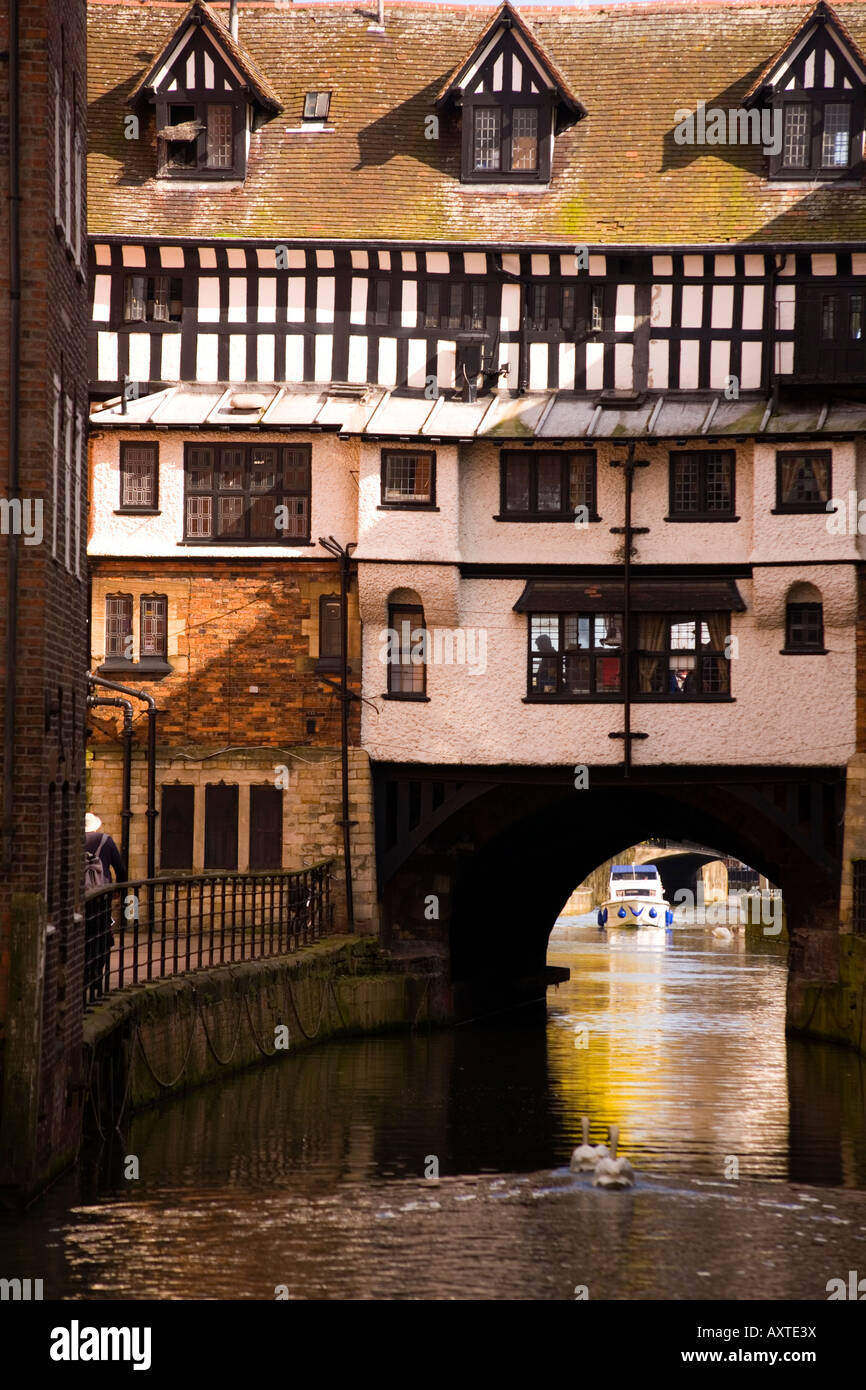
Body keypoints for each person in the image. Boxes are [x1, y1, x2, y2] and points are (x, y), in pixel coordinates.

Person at [83, 812, 127, 1004]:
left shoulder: (73, 840)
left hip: (80, 898)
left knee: (84, 934)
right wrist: (119, 891)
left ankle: (84, 973)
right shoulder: (106, 841)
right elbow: (121, 870)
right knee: (102, 933)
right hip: (102, 897)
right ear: (96, 826)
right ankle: (97, 976)